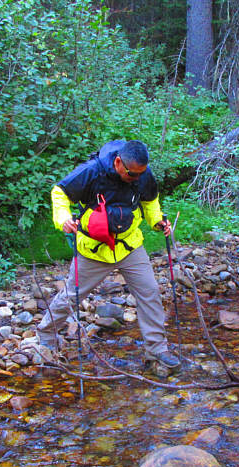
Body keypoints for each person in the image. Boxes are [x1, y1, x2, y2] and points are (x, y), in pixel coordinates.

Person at [36, 139, 181, 371]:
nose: (137, 179)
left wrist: (157, 222)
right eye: (132, 174)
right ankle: (45, 336)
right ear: (118, 162)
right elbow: (60, 192)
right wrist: (63, 219)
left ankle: (157, 350)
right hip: (93, 249)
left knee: (150, 292)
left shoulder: (143, 173)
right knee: (71, 296)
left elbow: (150, 201)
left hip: (129, 245)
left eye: (140, 174)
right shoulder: (92, 171)